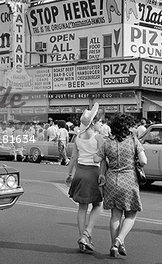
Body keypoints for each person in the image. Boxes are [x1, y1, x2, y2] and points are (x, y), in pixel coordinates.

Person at [95, 113, 147, 258]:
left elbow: (96, 158)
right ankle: (120, 239)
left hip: (112, 180)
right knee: (131, 214)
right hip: (129, 180)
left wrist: (106, 159)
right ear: (127, 127)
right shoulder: (133, 141)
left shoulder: (107, 142)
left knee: (115, 215)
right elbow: (144, 161)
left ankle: (114, 246)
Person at [65, 103, 104, 253]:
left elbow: (73, 157)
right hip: (93, 173)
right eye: (100, 121)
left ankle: (82, 238)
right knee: (97, 205)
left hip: (79, 173)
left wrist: (69, 174)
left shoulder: (78, 137)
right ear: (94, 123)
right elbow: (101, 159)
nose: (102, 124)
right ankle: (87, 234)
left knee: (82, 207)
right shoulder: (98, 138)